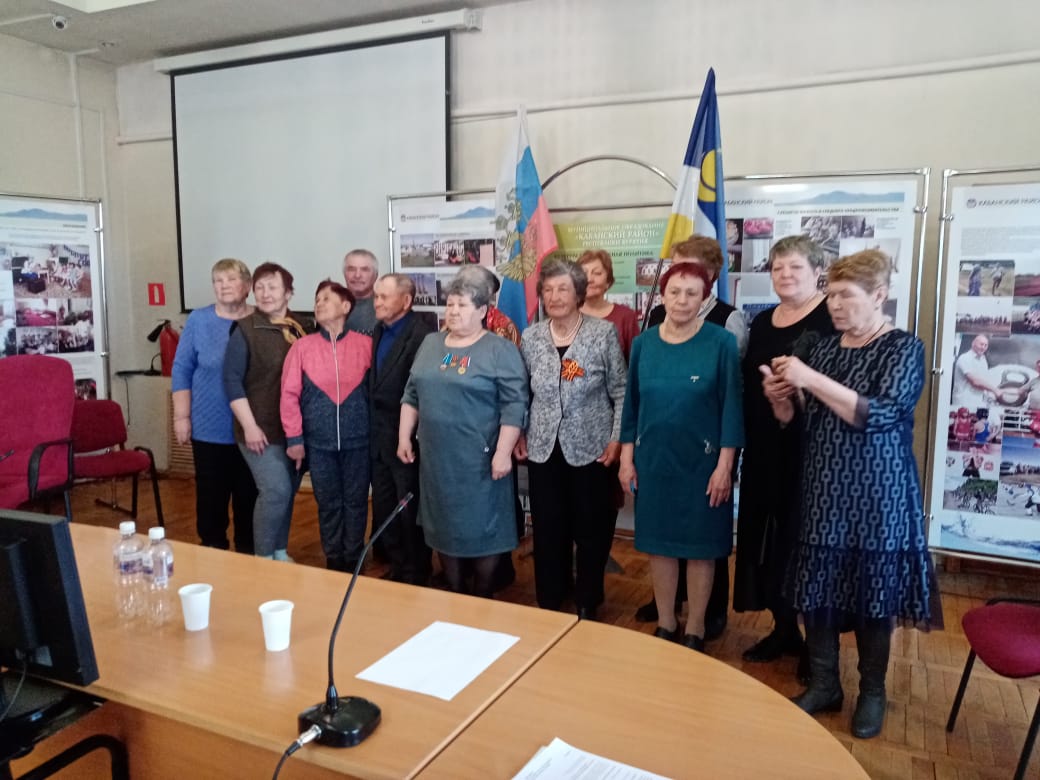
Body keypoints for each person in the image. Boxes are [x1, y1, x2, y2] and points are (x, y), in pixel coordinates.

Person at [764, 249, 940, 740]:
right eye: (831, 295)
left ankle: (872, 692)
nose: (835, 305)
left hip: (879, 494)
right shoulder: (821, 348)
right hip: (824, 488)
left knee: (873, 597)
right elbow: (803, 418)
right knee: (817, 591)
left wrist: (808, 378)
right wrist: (782, 402)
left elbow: (879, 414)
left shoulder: (903, 348)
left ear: (879, 295)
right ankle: (825, 684)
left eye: (846, 295)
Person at [619, 261, 743, 651]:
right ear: (663, 295)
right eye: (675, 291)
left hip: (703, 466)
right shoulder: (644, 344)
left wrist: (725, 467)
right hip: (654, 463)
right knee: (660, 545)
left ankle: (696, 628)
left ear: (704, 298)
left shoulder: (721, 343)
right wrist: (626, 459)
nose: (682, 300)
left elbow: (732, 409)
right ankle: (667, 621)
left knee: (701, 548)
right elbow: (631, 407)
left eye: (692, 293)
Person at [733, 236, 835, 676]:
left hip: (813, 452)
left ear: (817, 272)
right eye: (778, 268)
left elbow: (839, 387)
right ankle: (783, 628)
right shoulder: (762, 321)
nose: (785, 275)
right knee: (768, 541)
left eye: (795, 267)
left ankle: (819, 647)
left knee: (805, 544)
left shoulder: (831, 318)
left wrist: (797, 390)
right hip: (764, 446)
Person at [398, 272, 528, 597]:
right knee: (443, 524)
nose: (453, 311)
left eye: (462, 305)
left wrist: (503, 453)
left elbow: (515, 404)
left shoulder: (499, 349)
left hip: (480, 460)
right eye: (450, 304)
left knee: (483, 525)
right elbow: (411, 393)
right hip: (436, 460)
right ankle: (454, 591)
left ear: (482, 310)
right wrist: (404, 437)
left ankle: (483, 594)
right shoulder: (431, 343)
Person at [517, 258, 627, 620]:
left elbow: (621, 390)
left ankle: (587, 598)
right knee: (548, 525)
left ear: (579, 293)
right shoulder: (531, 337)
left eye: (563, 288)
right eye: (548, 290)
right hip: (543, 447)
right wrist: (520, 431)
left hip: (592, 448)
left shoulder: (602, 333)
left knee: (591, 527)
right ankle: (551, 595)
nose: (554, 296)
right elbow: (522, 392)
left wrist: (616, 438)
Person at [280, 280, 372, 572]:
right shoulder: (302, 348)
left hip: (360, 440)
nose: (319, 304)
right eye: (317, 299)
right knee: (328, 501)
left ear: (345, 306)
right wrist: (294, 438)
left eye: (326, 299)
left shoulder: (365, 345)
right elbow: (289, 395)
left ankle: (354, 555)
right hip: (318, 443)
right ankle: (333, 556)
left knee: (356, 501)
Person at [223, 262, 310, 560]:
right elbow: (231, 380)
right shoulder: (246, 329)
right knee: (275, 491)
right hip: (259, 429)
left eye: (272, 287)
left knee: (287, 493)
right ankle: (262, 560)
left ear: (289, 293)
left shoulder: (303, 328)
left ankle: (279, 551)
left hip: (294, 430)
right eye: (259, 287)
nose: (265, 293)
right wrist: (249, 426)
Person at [172, 258, 258, 554]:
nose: (224, 286)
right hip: (208, 428)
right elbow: (181, 369)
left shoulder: (260, 319)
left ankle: (248, 558)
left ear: (247, 286)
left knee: (249, 499)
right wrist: (181, 417)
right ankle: (212, 555)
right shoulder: (199, 320)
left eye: (231, 280)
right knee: (211, 502)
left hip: (251, 430)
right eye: (218, 281)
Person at [369, 274, 433, 585]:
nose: (377, 302)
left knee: (409, 510)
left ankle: (416, 572)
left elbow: (419, 391)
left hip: (406, 439)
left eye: (384, 297)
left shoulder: (422, 336)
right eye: (376, 296)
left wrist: (406, 435)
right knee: (384, 507)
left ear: (406, 301)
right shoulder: (378, 330)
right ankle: (397, 566)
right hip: (378, 438)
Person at [577, 249, 639, 361]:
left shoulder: (626, 317)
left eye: (597, 273)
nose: (589, 279)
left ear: (608, 282)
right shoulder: (566, 316)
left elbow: (635, 362)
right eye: (583, 273)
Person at [951, 334, 999, 408]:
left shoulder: (983, 359)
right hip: (964, 402)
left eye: (986, 345)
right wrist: (995, 390)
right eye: (981, 344)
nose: (983, 347)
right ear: (973, 344)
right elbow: (975, 382)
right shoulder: (965, 358)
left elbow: (984, 380)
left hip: (978, 401)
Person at [343, 249, 379, 335]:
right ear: (344, 274)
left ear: (376, 275)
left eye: (365, 270)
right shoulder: (331, 307)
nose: (357, 275)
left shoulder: (387, 307)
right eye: (351, 269)